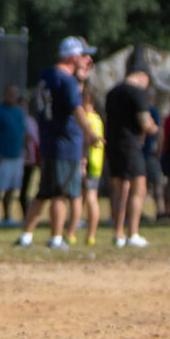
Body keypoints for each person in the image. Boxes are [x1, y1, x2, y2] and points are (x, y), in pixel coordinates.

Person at [20, 37, 98, 250]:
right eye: (84, 55)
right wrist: (90, 133)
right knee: (59, 193)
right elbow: (76, 109)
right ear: (73, 57)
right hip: (65, 143)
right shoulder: (67, 81)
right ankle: (56, 238)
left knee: (44, 192)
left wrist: (80, 77)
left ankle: (26, 236)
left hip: (49, 140)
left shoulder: (47, 75)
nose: (88, 59)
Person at [103, 53, 159, 249]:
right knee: (137, 188)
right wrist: (154, 127)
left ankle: (117, 233)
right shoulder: (137, 92)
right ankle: (132, 232)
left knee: (119, 188)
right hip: (131, 145)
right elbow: (144, 122)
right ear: (143, 76)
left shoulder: (112, 92)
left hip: (113, 144)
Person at [0, 84, 29, 227]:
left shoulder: (19, 112)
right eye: (9, 93)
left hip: (16, 156)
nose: (12, 96)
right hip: (2, 156)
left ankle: (7, 216)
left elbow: (23, 134)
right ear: (4, 94)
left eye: (15, 94)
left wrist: (27, 151)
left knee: (12, 188)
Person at [76, 75, 107, 246]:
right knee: (86, 197)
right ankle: (89, 235)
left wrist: (83, 162)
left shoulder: (88, 119)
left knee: (87, 197)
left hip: (88, 163)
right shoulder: (98, 119)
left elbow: (88, 142)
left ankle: (82, 233)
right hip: (97, 163)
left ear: (87, 99)